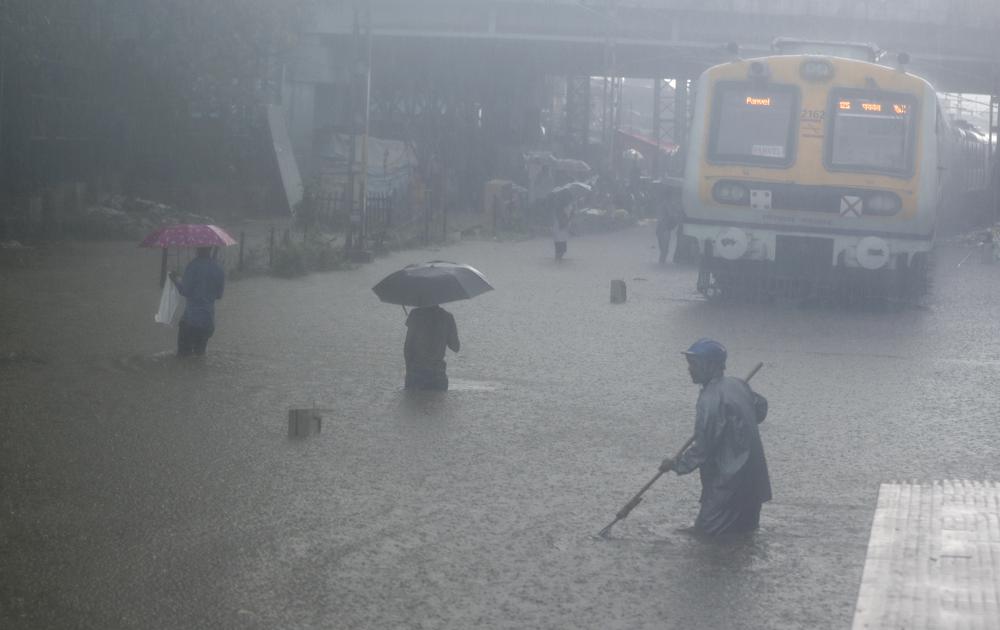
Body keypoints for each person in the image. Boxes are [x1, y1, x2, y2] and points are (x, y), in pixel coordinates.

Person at [659, 338, 771, 536]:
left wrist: (676, 464)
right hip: (754, 480)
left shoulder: (710, 398)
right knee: (744, 536)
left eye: (694, 364)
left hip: (729, 482)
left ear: (710, 365)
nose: (689, 369)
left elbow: (704, 447)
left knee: (706, 535)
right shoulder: (737, 385)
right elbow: (760, 409)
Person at [169, 247, 225, 357]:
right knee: (199, 358)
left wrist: (175, 279)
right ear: (210, 249)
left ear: (196, 249)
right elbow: (219, 295)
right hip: (208, 322)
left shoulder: (193, 266)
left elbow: (185, 291)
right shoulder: (219, 269)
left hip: (190, 321)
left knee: (183, 359)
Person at [404, 305, 460, 390]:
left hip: (416, 374)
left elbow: (407, 347)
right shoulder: (447, 317)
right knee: (436, 402)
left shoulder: (415, 314)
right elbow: (456, 347)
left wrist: (409, 371)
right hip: (437, 375)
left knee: (412, 401)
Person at [656, 187, 683, 264]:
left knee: (663, 249)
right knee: (664, 249)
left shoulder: (662, 204)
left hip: (660, 229)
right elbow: (672, 215)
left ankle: (661, 264)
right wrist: (678, 213)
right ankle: (661, 264)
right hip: (664, 229)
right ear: (670, 196)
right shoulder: (667, 204)